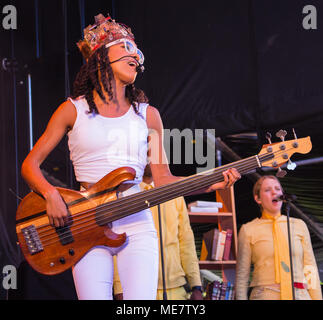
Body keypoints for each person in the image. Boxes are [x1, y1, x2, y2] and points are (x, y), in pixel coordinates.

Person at [21, 13, 240, 300]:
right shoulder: (72, 110)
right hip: (84, 222)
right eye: (125, 48)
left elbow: (162, 179)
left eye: (136, 51)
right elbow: (30, 165)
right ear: (100, 57)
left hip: (137, 220)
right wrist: (50, 194)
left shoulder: (148, 115)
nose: (134, 55)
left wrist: (209, 183)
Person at [113, 165, 203, 300]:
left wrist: (196, 286)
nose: (150, 158)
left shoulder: (174, 193)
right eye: (147, 152)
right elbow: (116, 242)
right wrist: (119, 287)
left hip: (176, 289)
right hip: (137, 287)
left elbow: (186, 242)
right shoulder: (125, 194)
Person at [235, 175, 322, 300]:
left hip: (299, 295)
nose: (274, 192)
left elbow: (310, 269)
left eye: (277, 189)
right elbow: (242, 276)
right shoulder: (248, 229)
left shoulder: (298, 225)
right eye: (267, 190)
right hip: (265, 295)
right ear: (258, 198)